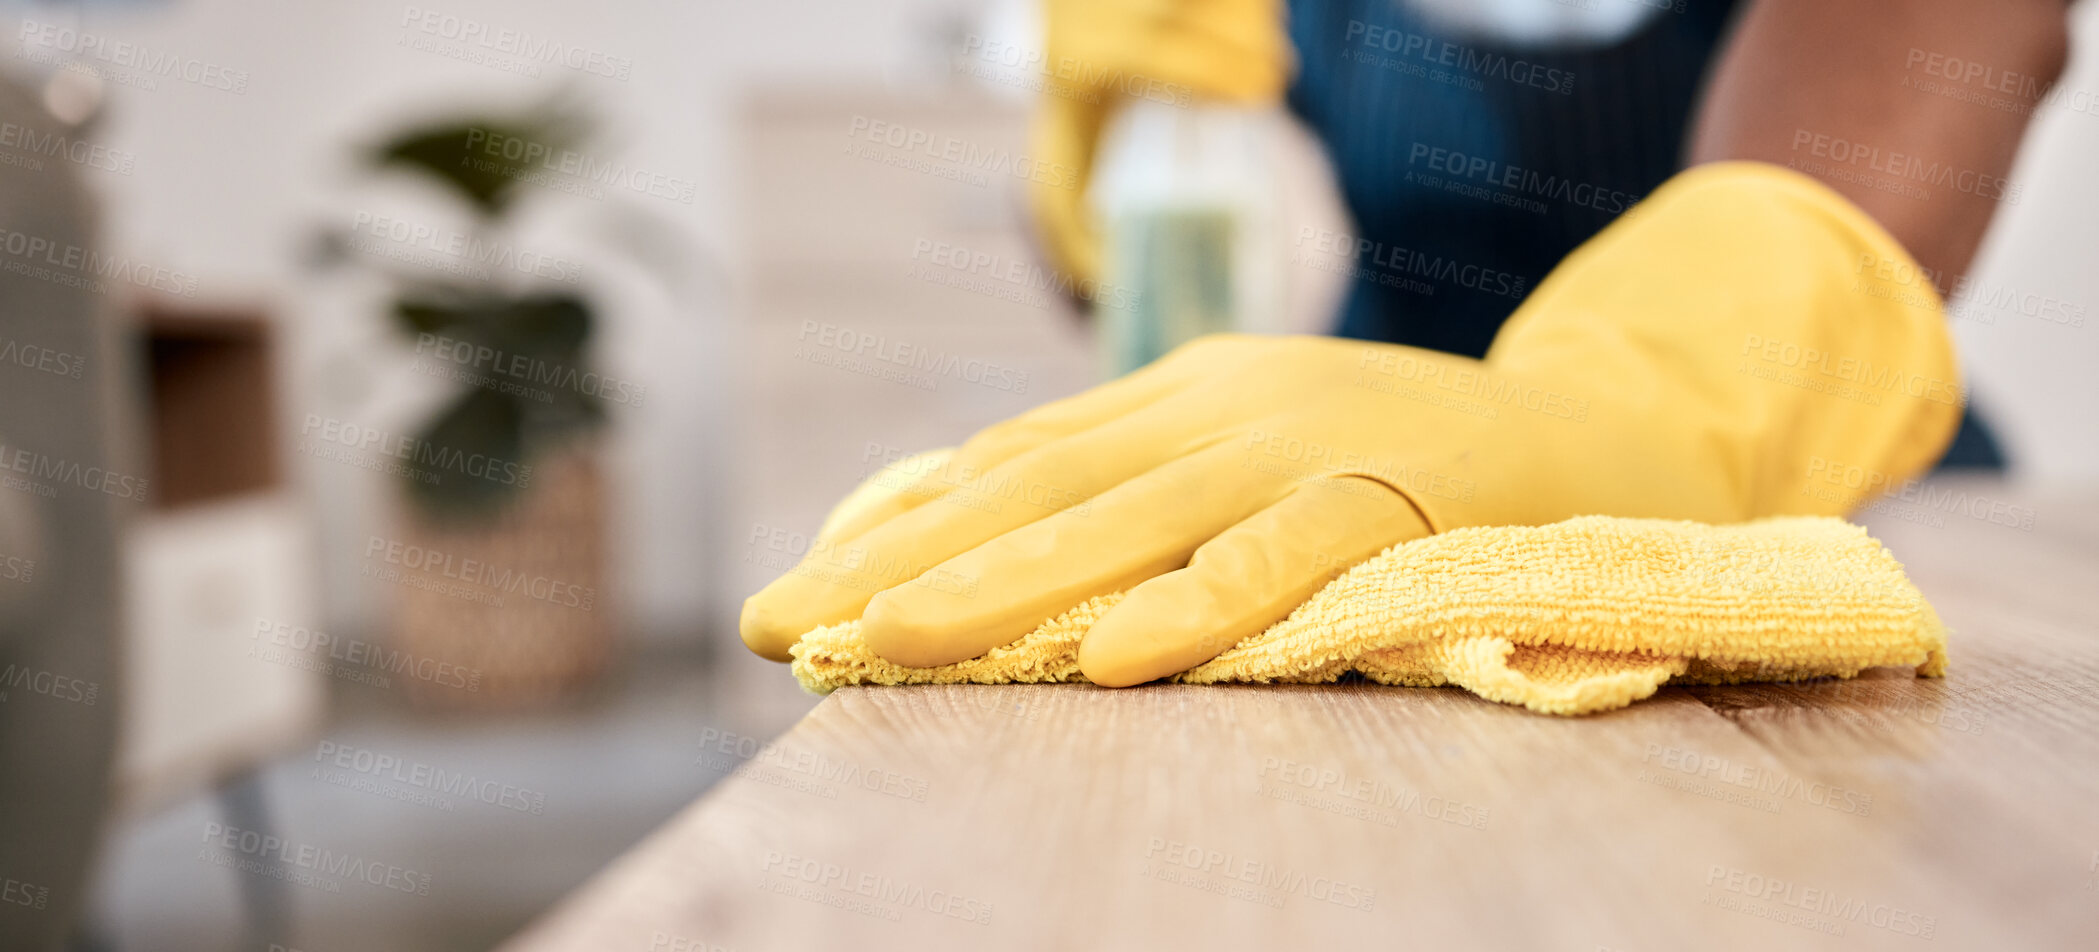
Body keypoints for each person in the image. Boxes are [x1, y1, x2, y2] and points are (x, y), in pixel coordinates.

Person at [739, 0, 2073, 684]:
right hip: (1359, 453)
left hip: (1813, 449)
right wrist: (1113, 122)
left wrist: (1678, 395)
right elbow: (1120, 289)